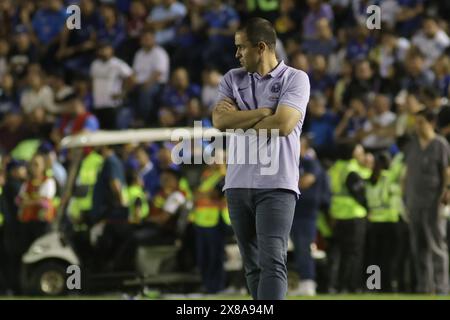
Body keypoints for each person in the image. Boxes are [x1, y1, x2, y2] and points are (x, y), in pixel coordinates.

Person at [212, 18, 310, 300]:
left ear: (261, 47)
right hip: (237, 183)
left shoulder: (296, 78)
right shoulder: (232, 78)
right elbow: (219, 121)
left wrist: (238, 121)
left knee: (272, 263)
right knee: (252, 267)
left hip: (277, 183)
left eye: (241, 47)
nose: (237, 54)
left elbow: (283, 126)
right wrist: (264, 112)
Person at [404, 109, 450, 294]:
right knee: (419, 247)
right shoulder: (413, 144)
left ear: (431, 123)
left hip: (433, 202)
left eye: (421, 122)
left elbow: (447, 172)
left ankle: (442, 287)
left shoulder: (440, 144)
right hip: (414, 202)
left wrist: (446, 192)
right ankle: (425, 286)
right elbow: (407, 173)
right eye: (416, 122)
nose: (417, 126)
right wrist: (404, 197)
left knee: (437, 246)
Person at [290, 135, 325, 296]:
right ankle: (300, 281)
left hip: (306, 214)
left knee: (304, 248)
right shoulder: (290, 163)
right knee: (296, 249)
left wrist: (286, 182)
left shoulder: (311, 163)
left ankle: (308, 282)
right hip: (292, 212)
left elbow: (307, 181)